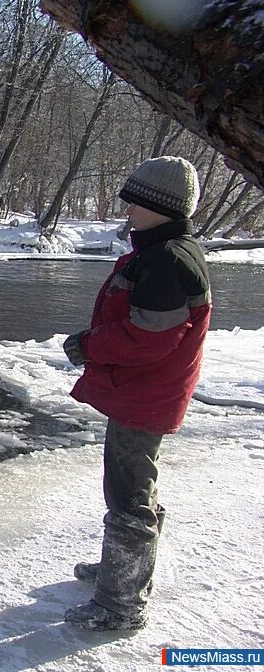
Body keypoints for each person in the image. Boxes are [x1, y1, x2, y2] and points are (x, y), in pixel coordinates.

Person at [62, 156, 211, 631]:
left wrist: (88, 345)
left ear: (158, 205)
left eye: (135, 198)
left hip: (145, 395)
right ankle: (120, 575)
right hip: (144, 391)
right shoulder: (165, 251)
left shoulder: (167, 259)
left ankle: (120, 605)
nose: (126, 205)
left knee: (128, 494)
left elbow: (147, 338)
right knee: (130, 486)